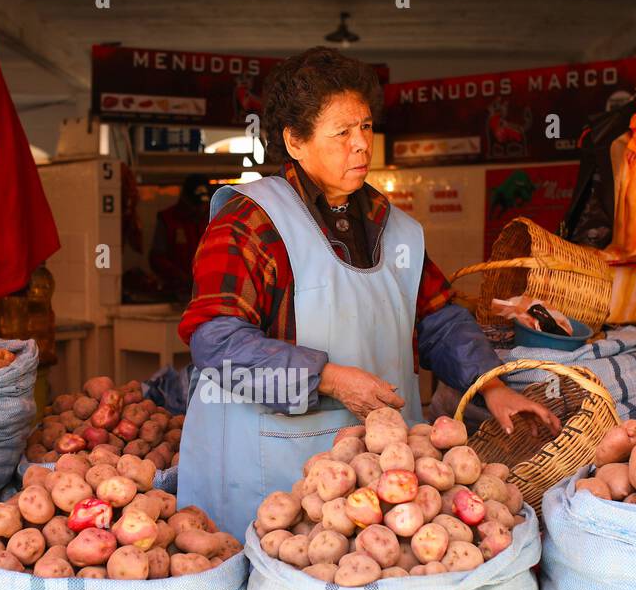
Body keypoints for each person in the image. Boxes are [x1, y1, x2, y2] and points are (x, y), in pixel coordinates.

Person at [176, 46, 559, 537]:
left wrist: (494, 386)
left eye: (366, 127)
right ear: (295, 141)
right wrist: (330, 378)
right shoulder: (250, 223)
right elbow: (216, 342)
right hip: (271, 478)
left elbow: (439, 321)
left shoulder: (394, 229)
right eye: (342, 133)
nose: (361, 145)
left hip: (385, 487)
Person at [148, 174, 212, 302]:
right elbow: (156, 258)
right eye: (196, 205)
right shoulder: (168, 220)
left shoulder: (213, 219)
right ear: (185, 199)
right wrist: (181, 277)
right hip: (175, 295)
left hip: (208, 295)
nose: (200, 209)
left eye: (203, 204)